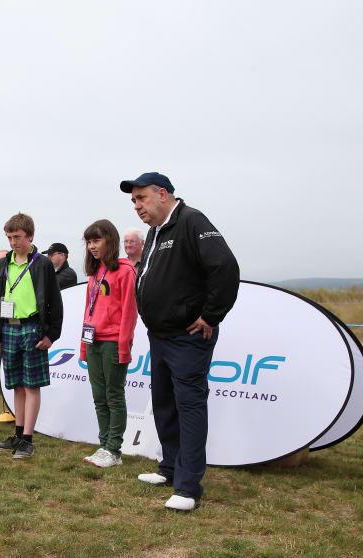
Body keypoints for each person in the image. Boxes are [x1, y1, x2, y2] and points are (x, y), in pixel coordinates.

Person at [121, 172, 240, 512]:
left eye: (141, 198)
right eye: (133, 201)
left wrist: (210, 315)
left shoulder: (191, 221)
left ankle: (188, 487)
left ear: (162, 194)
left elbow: (225, 267)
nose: (137, 206)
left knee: (189, 407)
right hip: (159, 335)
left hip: (188, 337)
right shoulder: (157, 231)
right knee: (164, 403)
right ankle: (170, 468)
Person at [0, 214, 64, 459]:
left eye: (17, 237)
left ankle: (27, 439)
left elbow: (54, 301)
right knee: (16, 384)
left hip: (32, 328)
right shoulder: (4, 264)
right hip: (8, 328)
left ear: (30, 236)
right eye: (9, 237)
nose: (13, 242)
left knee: (31, 385)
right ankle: (17, 434)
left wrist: (51, 334)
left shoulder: (42, 264)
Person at [79, 219, 138, 468]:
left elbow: (129, 313)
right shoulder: (95, 272)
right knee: (98, 396)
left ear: (110, 241)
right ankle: (104, 445)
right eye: (89, 242)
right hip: (93, 342)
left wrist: (124, 346)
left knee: (114, 395)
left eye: (97, 241)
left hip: (113, 343)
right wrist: (83, 346)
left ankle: (114, 449)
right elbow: (87, 312)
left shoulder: (125, 271)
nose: (92, 246)